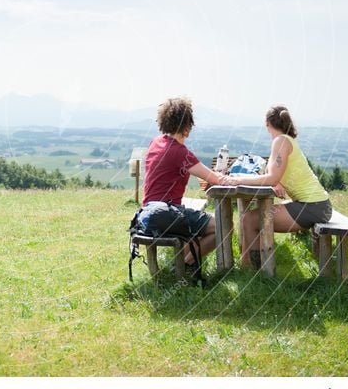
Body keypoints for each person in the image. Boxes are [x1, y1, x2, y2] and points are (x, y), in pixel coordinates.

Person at [227, 105, 332, 268]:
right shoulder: (286, 140)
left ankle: (256, 270)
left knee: (249, 219)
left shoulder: (280, 141)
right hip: (316, 205)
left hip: (313, 207)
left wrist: (239, 180)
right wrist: (277, 182)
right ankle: (246, 263)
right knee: (254, 217)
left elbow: (271, 177)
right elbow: (278, 175)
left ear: (267, 123)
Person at [140, 97, 230, 271]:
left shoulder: (156, 143)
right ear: (187, 127)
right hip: (165, 214)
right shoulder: (180, 152)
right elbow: (214, 179)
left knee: (199, 221)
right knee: (222, 226)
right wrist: (225, 177)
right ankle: (185, 266)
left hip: (148, 212)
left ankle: (181, 264)